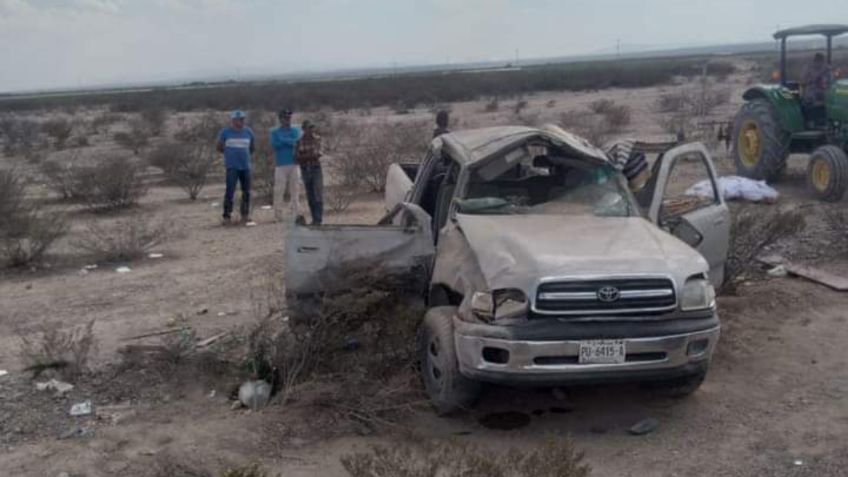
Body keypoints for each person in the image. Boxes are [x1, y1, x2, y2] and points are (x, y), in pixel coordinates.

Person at [216, 110, 255, 225]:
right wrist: (229, 154)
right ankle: (227, 216)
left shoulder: (248, 131)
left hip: (245, 166)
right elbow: (219, 146)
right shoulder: (225, 132)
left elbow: (252, 147)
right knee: (230, 191)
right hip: (232, 166)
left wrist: (245, 155)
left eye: (242, 119)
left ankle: (245, 214)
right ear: (233, 120)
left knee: (246, 191)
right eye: (238, 119)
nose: (241, 122)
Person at [269, 109, 302, 221]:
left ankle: (296, 213)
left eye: (289, 118)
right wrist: (289, 141)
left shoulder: (295, 130)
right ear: (280, 119)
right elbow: (274, 145)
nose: (287, 120)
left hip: (294, 163)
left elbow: (297, 142)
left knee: (295, 189)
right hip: (280, 164)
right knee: (279, 190)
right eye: (285, 118)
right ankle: (278, 215)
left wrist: (283, 140)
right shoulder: (274, 132)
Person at [296, 120, 324, 225]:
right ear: (304, 129)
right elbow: (297, 157)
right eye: (309, 128)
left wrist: (305, 156)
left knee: (318, 193)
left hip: (316, 168)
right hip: (305, 169)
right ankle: (314, 218)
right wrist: (309, 156)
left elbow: (318, 154)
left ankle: (318, 219)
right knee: (310, 194)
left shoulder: (318, 139)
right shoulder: (299, 141)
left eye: (312, 127)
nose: (311, 130)